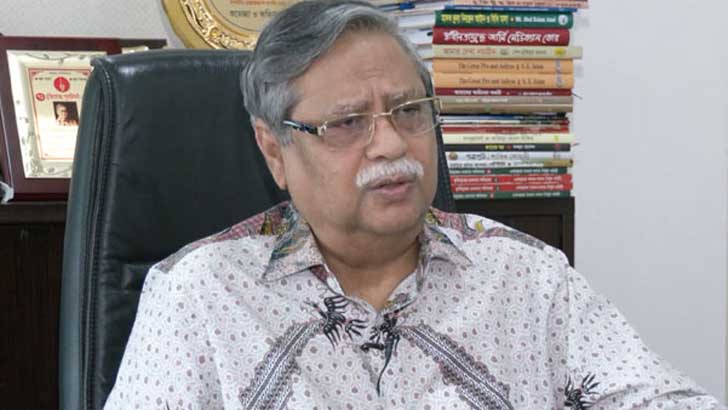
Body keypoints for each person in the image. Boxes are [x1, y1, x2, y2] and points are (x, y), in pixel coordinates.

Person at [104, 1, 725, 409]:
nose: (392, 144)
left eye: (408, 111)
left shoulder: (527, 277)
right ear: (275, 151)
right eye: (347, 123)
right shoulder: (199, 295)